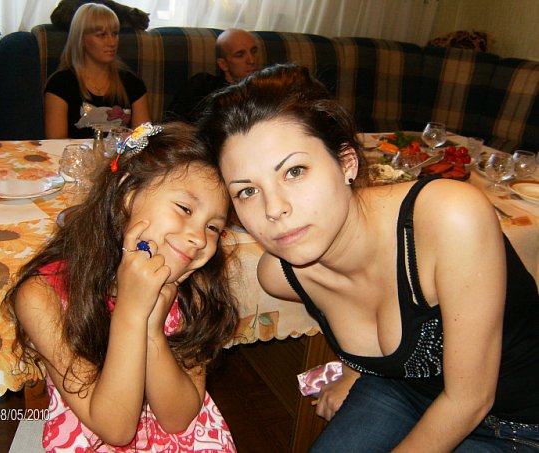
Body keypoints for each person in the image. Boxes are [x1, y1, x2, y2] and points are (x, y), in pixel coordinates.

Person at [199, 64, 539, 451]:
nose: (274, 209)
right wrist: (354, 369)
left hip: (520, 426)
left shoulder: (450, 218)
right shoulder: (281, 274)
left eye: (294, 171)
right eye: (246, 191)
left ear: (346, 162)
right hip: (401, 390)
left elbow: (470, 400)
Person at [3, 122, 238, 452]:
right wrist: (132, 310)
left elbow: (178, 419)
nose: (199, 238)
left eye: (213, 227)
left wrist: (153, 329)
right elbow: (116, 428)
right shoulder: (43, 295)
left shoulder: (190, 289)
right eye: (185, 209)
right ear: (128, 193)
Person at [44, 3, 151, 139]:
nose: (112, 42)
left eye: (114, 34)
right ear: (81, 39)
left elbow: (143, 139)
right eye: (101, 35)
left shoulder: (133, 84)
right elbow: (55, 142)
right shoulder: (60, 84)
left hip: (120, 153)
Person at [165, 28, 259, 123]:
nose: (251, 60)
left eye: (254, 51)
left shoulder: (262, 89)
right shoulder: (202, 86)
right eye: (240, 55)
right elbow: (170, 124)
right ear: (223, 64)